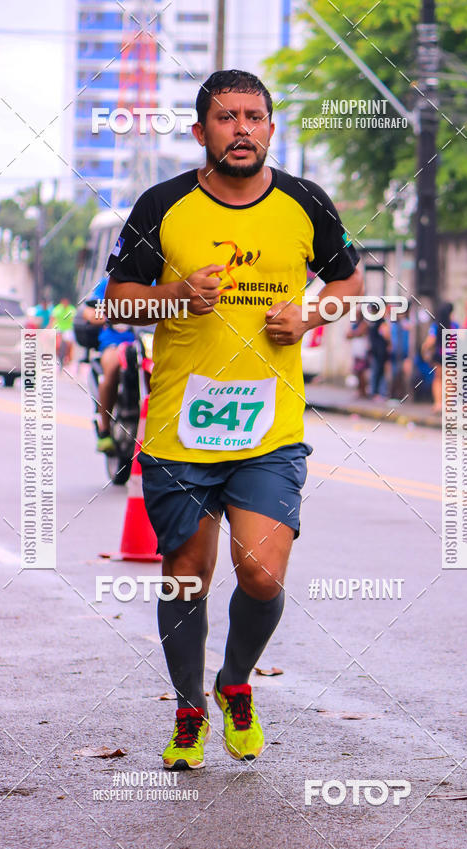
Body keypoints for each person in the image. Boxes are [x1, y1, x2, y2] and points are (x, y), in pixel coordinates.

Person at [103, 69, 363, 770]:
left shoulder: (305, 202)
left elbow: (348, 280)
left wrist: (310, 314)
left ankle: (235, 683)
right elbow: (116, 302)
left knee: (260, 572)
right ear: (201, 132)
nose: (241, 128)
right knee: (187, 572)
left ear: (272, 130)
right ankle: (189, 708)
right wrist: (176, 294)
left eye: (254, 116)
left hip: (269, 430)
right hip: (179, 431)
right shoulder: (162, 205)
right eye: (226, 117)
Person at [82, 276, 136, 453]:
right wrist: (108, 316)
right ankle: (104, 429)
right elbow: (88, 312)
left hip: (143, 344)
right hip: (113, 345)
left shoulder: (156, 281)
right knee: (112, 370)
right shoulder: (109, 282)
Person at [420, 301, 459, 413]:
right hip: (451, 355)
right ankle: (448, 404)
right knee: (450, 380)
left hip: (439, 354)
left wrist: (424, 350)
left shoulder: (436, 325)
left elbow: (430, 341)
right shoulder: (454, 325)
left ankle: (438, 403)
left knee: (438, 379)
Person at [367, 308, 390, 400]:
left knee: (375, 371)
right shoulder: (381, 321)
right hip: (381, 350)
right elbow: (386, 334)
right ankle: (378, 393)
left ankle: (374, 392)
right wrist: (390, 343)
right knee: (380, 371)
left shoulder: (372, 320)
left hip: (374, 349)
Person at [346, 306, 369, 398]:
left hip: (362, 350)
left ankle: (364, 391)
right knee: (357, 371)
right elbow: (348, 335)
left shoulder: (364, 323)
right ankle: (360, 390)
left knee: (362, 371)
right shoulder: (354, 324)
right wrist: (354, 333)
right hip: (355, 350)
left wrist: (354, 333)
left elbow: (359, 332)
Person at [50, 296, 77, 368]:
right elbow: (53, 318)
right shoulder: (57, 309)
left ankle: (68, 358)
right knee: (57, 344)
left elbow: (73, 319)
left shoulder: (71, 309)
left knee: (69, 344)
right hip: (58, 328)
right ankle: (57, 357)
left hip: (68, 328)